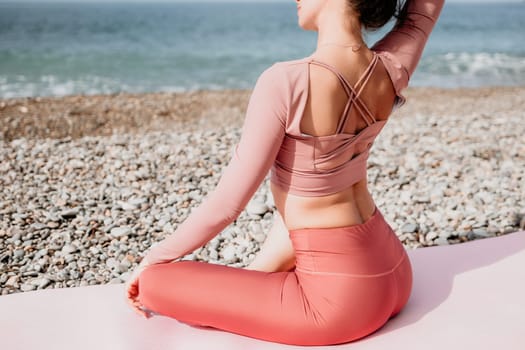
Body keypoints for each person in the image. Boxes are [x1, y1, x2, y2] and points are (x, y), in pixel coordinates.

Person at [125, 0, 444, 346]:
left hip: (340, 304)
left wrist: (152, 260)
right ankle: (258, 274)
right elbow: (423, 11)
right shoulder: (391, 66)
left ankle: (242, 282)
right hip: (395, 271)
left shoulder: (286, 80)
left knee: (154, 283)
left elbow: (228, 204)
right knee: (301, 198)